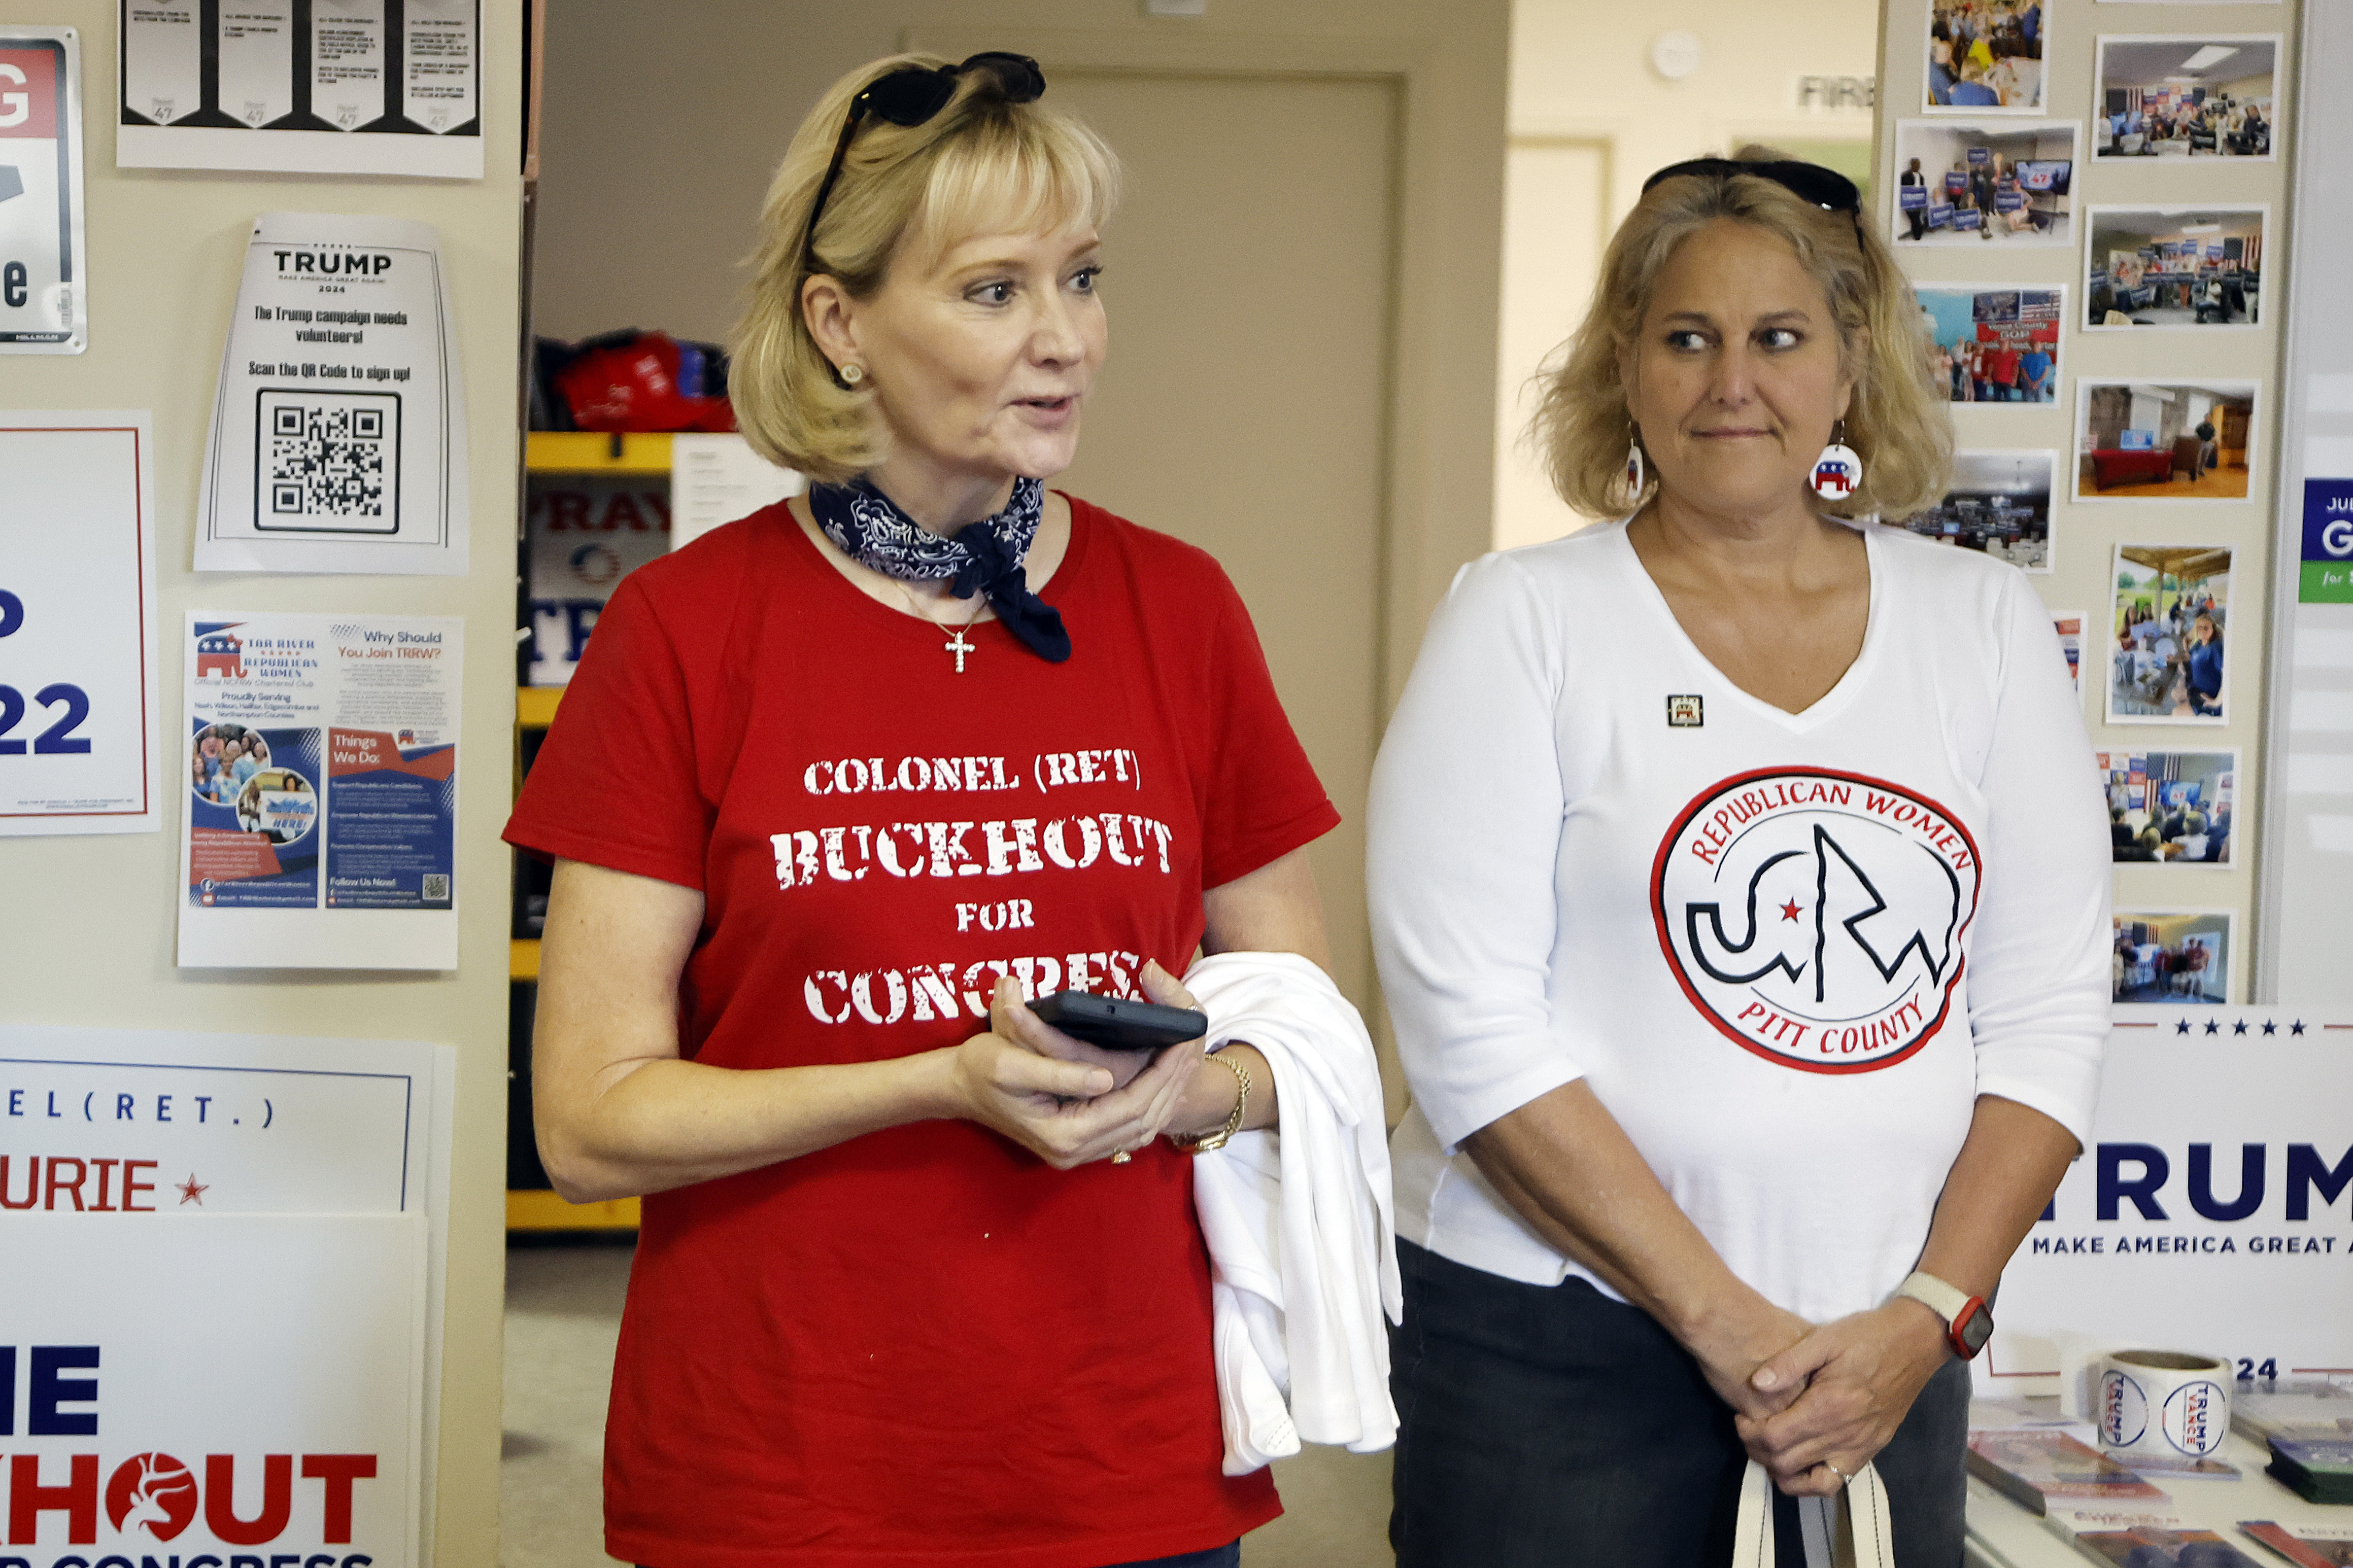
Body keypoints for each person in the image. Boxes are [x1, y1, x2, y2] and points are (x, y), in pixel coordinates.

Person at [504, 51, 1370, 1568]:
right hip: (780, 1464)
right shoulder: (684, 627)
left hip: (1121, 1458)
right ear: (840, 324)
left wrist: (1186, 1091)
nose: (1068, 343)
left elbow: (1306, 1040)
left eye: (1084, 280)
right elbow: (585, 1119)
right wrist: (933, 1079)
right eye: (994, 292)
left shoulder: (1180, 608)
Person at [1369, 148, 2109, 1566]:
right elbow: (1464, 1027)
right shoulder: (1521, 619)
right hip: (1553, 1347)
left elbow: (2047, 1014)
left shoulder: (1980, 623)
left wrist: (1928, 1314)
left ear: (1848, 366)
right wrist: (1728, 1328)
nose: (1730, 384)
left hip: (1887, 1350)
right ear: (1626, 370)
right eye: (1684, 337)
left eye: (1777, 339)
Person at [2186, 610, 2225, 717]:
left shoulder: (2215, 647)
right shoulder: (2199, 644)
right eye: (2199, 627)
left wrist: (2216, 702)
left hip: (2210, 697)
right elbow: (2188, 656)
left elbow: (2228, 676)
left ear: (2213, 629)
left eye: (2206, 628)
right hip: (2197, 690)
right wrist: (2174, 658)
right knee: (2176, 693)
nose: (2202, 630)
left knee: (2177, 712)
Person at [1901, 157, 1928, 243]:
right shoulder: (1905, 176)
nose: (1917, 166)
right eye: (1915, 164)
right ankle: (1918, 235)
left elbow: (1922, 189)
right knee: (1915, 218)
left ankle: (1917, 236)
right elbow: (1904, 190)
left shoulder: (1921, 177)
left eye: (1918, 164)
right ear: (1912, 165)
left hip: (1918, 202)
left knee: (1916, 218)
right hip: (1909, 202)